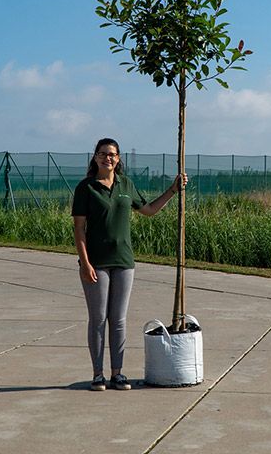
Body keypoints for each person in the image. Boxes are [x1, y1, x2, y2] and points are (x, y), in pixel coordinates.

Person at [72, 137, 187, 391]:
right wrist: (85, 262)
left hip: (124, 261)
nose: (107, 158)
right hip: (96, 263)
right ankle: (97, 375)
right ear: (95, 157)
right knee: (98, 319)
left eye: (112, 154)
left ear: (119, 158)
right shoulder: (86, 188)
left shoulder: (127, 185)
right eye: (102, 154)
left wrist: (172, 190)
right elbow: (79, 229)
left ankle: (117, 374)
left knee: (119, 319)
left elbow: (148, 210)